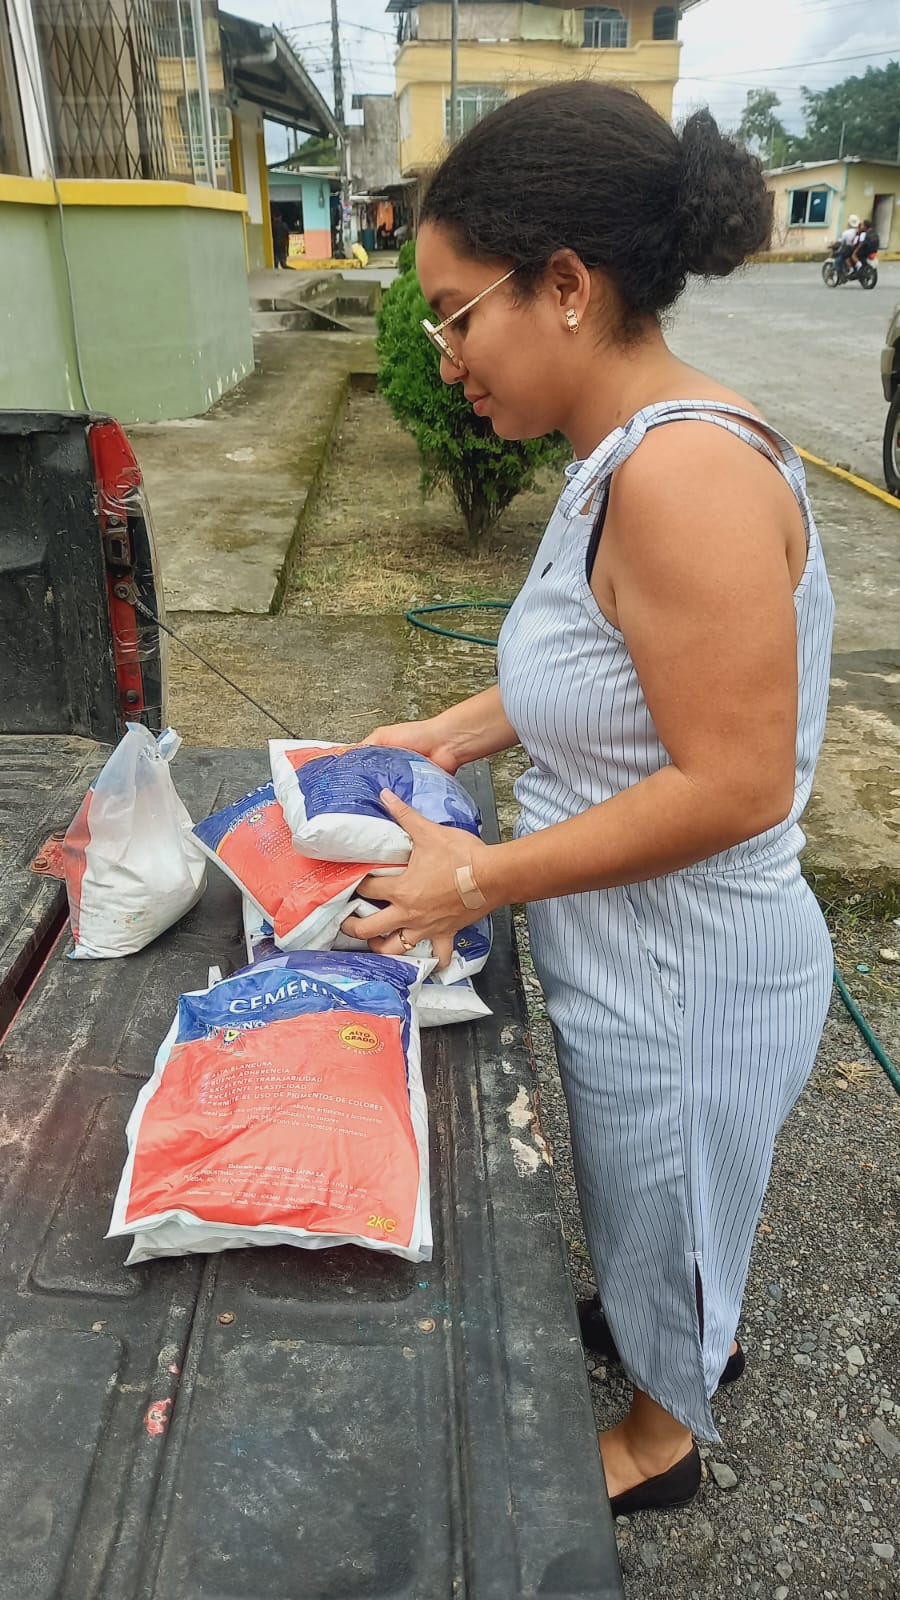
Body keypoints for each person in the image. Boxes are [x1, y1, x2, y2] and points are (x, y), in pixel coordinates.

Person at [343, 82, 834, 1516]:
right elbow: (617, 670)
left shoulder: (685, 475)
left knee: (672, 1187)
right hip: (632, 944)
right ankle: (661, 1323)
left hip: (690, 969)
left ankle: (663, 1439)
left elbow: (734, 781)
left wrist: (475, 879)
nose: (444, 359)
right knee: (643, 1189)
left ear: (565, 285)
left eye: (455, 315)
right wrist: (448, 731)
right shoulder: (621, 450)